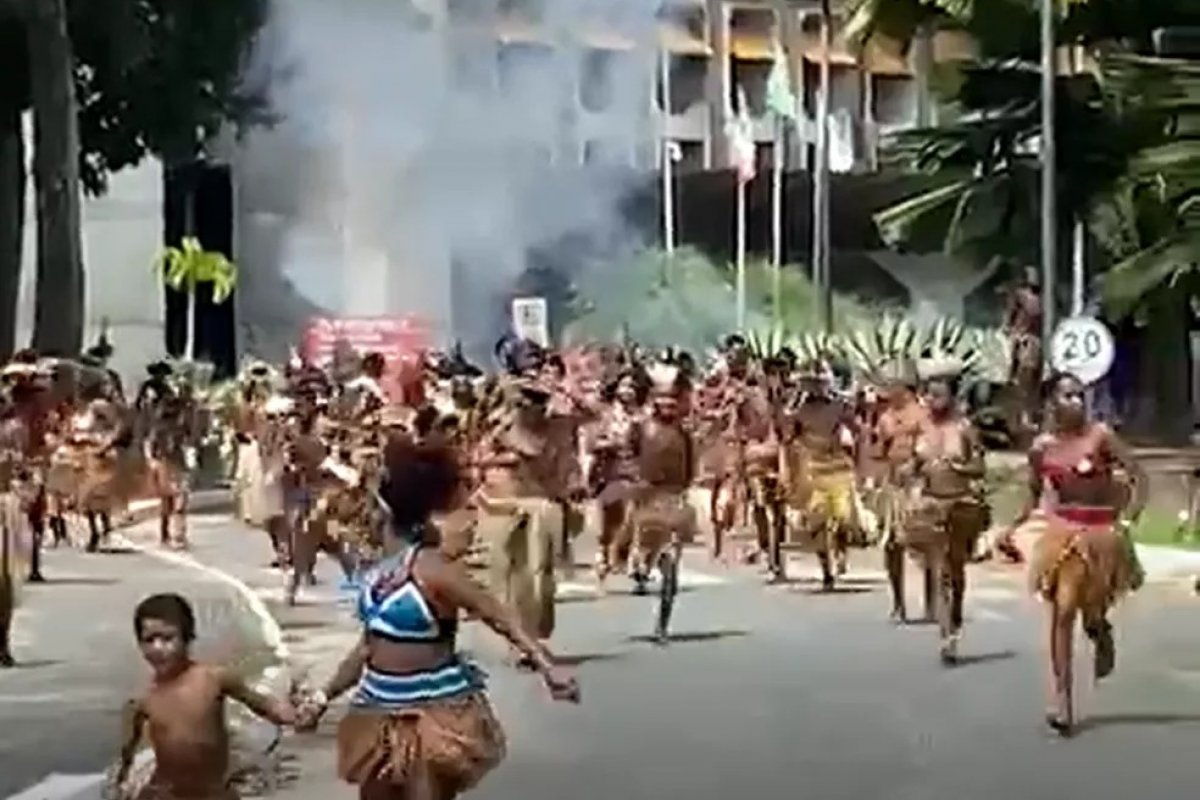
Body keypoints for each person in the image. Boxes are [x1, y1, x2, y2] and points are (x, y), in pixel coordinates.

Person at [295, 435, 579, 800]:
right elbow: (369, 645)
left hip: (433, 711)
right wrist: (321, 697)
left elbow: (497, 615)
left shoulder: (434, 568)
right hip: (377, 706)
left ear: (385, 509)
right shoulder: (381, 570)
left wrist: (547, 666)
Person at [1001, 371, 1146, 736]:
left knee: (1092, 607)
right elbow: (1033, 494)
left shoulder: (1102, 436)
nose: (1076, 403)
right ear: (1051, 403)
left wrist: (1128, 519)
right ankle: (1063, 699)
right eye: (1067, 396)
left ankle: (1099, 629)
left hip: (1102, 535)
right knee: (1063, 608)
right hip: (1063, 534)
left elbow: (1138, 476)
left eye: (1080, 395)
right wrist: (1011, 528)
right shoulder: (1042, 448)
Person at [109, 593, 296, 800]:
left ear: (188, 638)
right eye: (149, 640)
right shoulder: (143, 699)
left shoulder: (213, 678)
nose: (158, 648)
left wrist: (287, 713)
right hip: (168, 793)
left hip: (213, 792)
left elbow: (260, 703)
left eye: (168, 638)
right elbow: (127, 751)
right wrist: (121, 783)